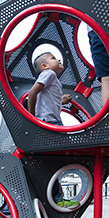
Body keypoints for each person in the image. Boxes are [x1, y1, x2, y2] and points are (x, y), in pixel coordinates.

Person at [28, 52, 79, 209]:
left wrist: (60, 100)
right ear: (45, 66)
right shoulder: (48, 74)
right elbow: (32, 93)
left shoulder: (53, 80)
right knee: (55, 159)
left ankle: (57, 197)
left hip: (53, 121)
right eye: (53, 58)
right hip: (49, 122)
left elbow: (47, 100)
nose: (58, 59)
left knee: (53, 161)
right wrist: (32, 117)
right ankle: (57, 198)